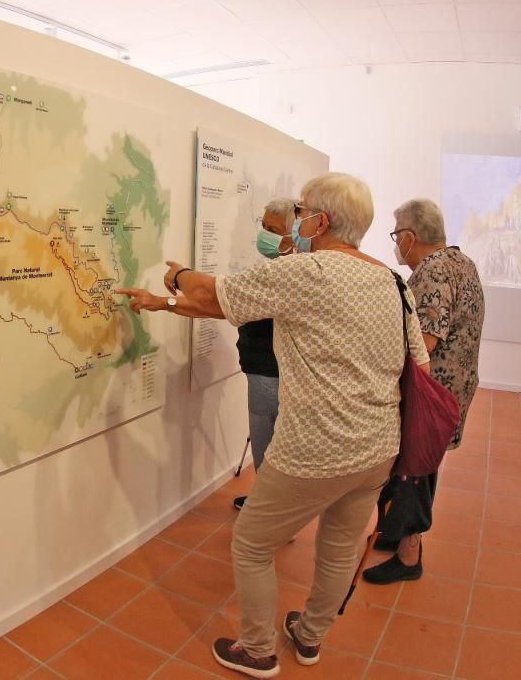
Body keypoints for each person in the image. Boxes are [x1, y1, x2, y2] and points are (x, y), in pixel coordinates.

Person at [117, 173, 429, 679]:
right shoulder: (394, 283)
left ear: (321, 221)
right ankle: (308, 637)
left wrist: (176, 278)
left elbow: (214, 294)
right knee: (337, 548)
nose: (294, 218)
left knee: (252, 543)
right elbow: (421, 365)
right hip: (378, 448)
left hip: (316, 447)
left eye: (302, 210)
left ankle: (258, 650)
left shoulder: (308, 272)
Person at [363, 198, 485, 585]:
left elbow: (425, 342)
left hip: (429, 395)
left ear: (410, 236)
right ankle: (396, 532)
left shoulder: (432, 273)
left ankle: (409, 554)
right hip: (453, 390)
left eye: (396, 234)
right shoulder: (461, 261)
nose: (395, 241)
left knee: (415, 469)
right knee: (418, 466)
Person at [233, 198, 295, 511]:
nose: (266, 237)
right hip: (263, 369)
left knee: (267, 440)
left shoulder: (292, 273)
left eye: (273, 230)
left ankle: (269, 511)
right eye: (264, 228)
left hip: (269, 372)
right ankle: (271, 504)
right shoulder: (284, 268)